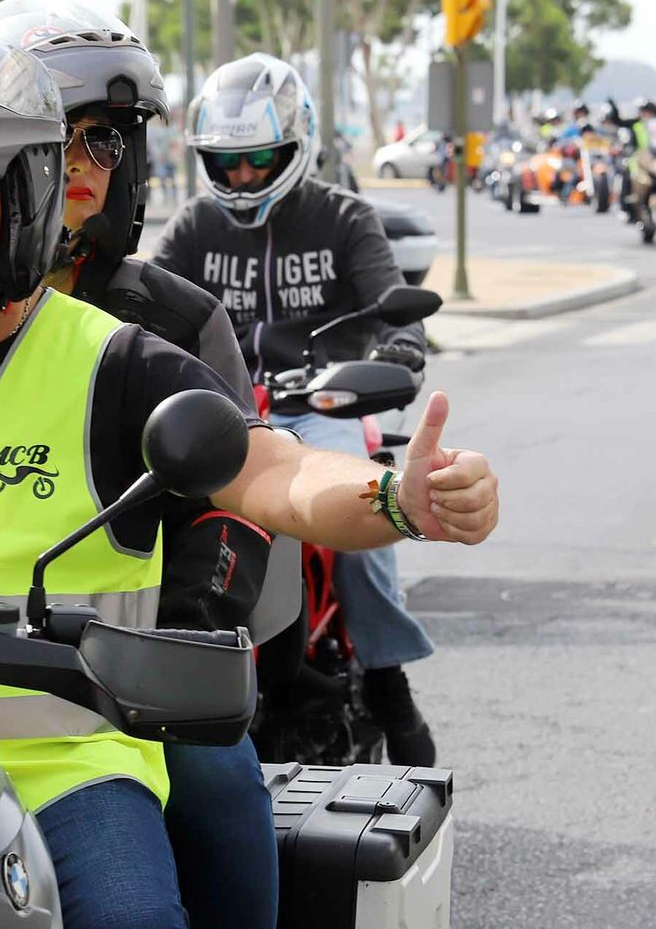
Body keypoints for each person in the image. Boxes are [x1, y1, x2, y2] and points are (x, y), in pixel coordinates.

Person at [0, 22, 498, 928]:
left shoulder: (114, 362)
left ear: (18, 203)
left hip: (64, 770)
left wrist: (394, 499)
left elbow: (273, 474)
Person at [0, 0, 273, 929]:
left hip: (114, 684)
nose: (81, 167)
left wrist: (167, 638)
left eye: (105, 140)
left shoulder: (172, 323)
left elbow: (239, 504)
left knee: (216, 773)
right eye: (56, 139)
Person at [148, 52, 441, 771]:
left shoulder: (344, 218)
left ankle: (384, 672)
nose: (242, 177)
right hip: (221, 406)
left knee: (365, 510)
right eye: (227, 162)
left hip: (320, 405)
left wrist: (401, 350)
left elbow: (391, 307)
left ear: (295, 144)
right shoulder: (192, 230)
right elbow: (140, 306)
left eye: (258, 159)